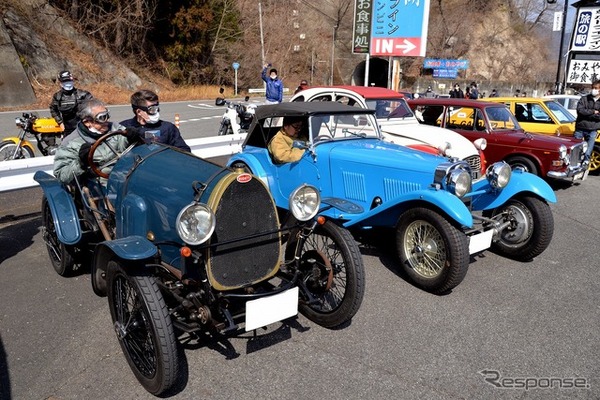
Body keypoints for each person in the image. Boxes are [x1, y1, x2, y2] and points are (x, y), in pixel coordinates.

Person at [53, 98, 141, 185]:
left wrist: (131, 138)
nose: (107, 121)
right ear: (87, 122)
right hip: (99, 185)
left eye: (107, 115)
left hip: (126, 175)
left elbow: (124, 146)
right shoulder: (70, 143)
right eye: (102, 117)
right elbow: (61, 175)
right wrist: (81, 163)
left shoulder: (115, 128)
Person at [119, 89, 190, 152]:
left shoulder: (168, 128)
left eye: (157, 107)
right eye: (152, 109)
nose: (156, 112)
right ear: (139, 112)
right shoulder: (123, 128)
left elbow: (184, 152)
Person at [49, 70, 94, 134]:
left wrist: (91, 121)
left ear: (73, 81)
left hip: (84, 126)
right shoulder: (58, 96)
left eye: (69, 81)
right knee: (66, 143)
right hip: (67, 128)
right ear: (60, 83)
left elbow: (94, 106)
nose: (68, 83)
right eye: (65, 81)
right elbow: (53, 109)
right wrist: (60, 122)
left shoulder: (83, 94)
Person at [574, 79, 600, 168]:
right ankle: (574, 165)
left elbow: (599, 116)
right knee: (576, 149)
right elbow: (580, 111)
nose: (594, 89)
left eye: (596, 88)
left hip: (592, 130)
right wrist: (593, 112)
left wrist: (588, 114)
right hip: (580, 128)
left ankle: (584, 166)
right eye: (593, 87)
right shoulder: (584, 99)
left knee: (588, 151)